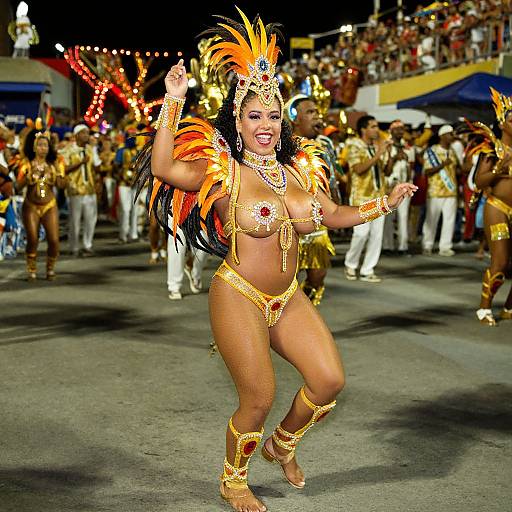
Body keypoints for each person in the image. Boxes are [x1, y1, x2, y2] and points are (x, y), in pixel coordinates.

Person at [135, 9, 416, 512]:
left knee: (329, 380)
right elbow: (162, 166)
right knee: (258, 397)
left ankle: (281, 445)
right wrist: (173, 103)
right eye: (253, 115)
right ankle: (233, 480)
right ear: (237, 120)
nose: (265, 125)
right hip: (238, 293)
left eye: (272, 114)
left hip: (287, 297)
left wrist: (384, 203)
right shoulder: (221, 169)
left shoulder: (298, 168)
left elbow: (332, 215)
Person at [285, 94, 336, 305]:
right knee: (286, 280)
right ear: (295, 119)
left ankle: (302, 315)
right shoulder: (282, 147)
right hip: (291, 222)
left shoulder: (323, 146)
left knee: (318, 276)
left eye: (317, 112)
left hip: (318, 221)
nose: (317, 117)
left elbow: (330, 180)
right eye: (310, 112)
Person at [472, 88, 512, 325]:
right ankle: (485, 308)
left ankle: (509, 307)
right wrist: (499, 169)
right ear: (502, 123)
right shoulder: (492, 149)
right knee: (500, 262)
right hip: (497, 207)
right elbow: (479, 181)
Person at [344, 115, 393, 282]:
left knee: (376, 235)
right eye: (372, 126)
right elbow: (358, 169)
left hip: (379, 196)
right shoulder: (354, 145)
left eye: (377, 126)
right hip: (361, 197)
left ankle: (367, 269)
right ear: (363, 129)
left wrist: (389, 154)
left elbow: (387, 171)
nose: (376, 130)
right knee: (361, 234)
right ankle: (351, 264)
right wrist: (379, 153)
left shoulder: (377, 146)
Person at [16, 130, 66, 279]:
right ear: (34, 147)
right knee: (32, 238)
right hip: (31, 206)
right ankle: (32, 270)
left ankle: (50, 269)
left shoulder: (55, 164)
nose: (43, 148)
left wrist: (57, 175)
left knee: (54, 239)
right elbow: (17, 187)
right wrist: (28, 176)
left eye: (45, 145)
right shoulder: (26, 164)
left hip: (49, 205)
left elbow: (62, 185)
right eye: (40, 145)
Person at [60, 124, 101, 257]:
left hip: (89, 189)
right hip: (75, 190)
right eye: (83, 133)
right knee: (75, 220)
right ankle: (74, 247)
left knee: (91, 219)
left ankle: (87, 245)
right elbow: (64, 169)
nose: (86, 136)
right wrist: (80, 162)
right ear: (76, 135)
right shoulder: (68, 150)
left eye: (88, 133)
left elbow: (97, 167)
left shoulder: (90, 149)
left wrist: (95, 152)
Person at [422, 125, 460, 256]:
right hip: (435, 191)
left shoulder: (453, 151)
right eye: (449, 134)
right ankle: (428, 244)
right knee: (432, 219)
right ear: (442, 136)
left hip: (451, 191)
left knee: (449, 220)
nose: (452, 137)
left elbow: (458, 169)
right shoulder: (432, 151)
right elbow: (427, 171)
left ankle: (445, 246)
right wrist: (443, 164)